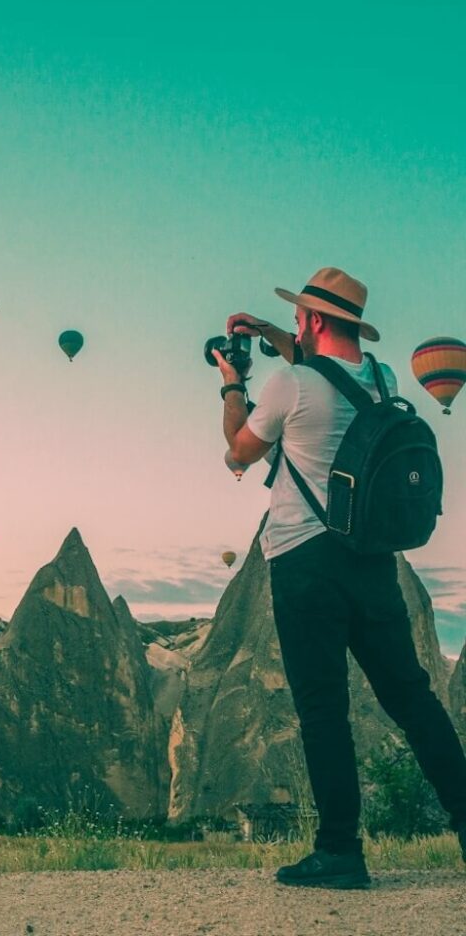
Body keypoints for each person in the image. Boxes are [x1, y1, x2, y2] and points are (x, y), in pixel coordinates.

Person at [213, 266, 466, 889]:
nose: (295, 325)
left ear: (316, 321)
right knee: (413, 699)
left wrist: (232, 386)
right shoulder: (381, 381)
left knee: (322, 708)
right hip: (373, 560)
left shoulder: (287, 385)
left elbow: (238, 453)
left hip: (304, 562)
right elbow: (323, 362)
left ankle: (340, 852)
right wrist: (267, 328)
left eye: (300, 316)